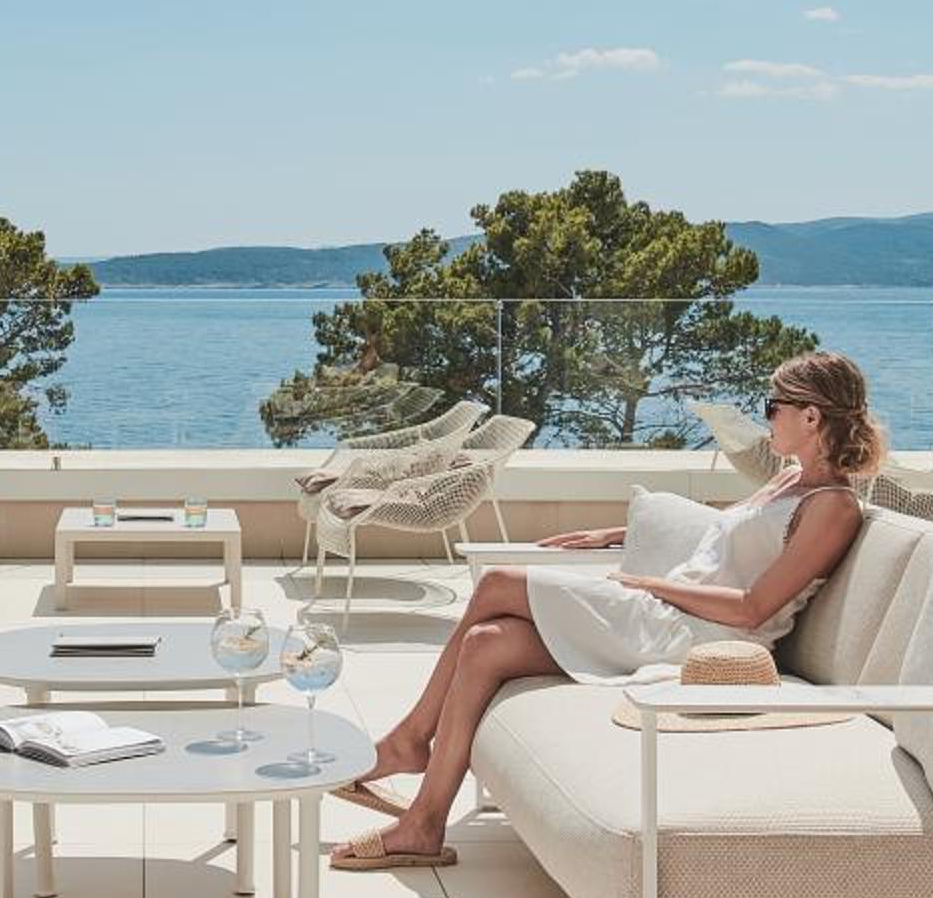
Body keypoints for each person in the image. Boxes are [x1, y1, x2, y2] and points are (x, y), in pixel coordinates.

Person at [328, 350, 882, 871]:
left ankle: (408, 740)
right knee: (485, 644)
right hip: (666, 613)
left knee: (497, 583)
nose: (766, 419)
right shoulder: (788, 479)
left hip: (700, 638)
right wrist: (616, 533)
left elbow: (753, 608)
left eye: (773, 406)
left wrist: (650, 583)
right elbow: (723, 536)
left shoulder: (833, 508)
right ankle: (424, 825)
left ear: (811, 417)